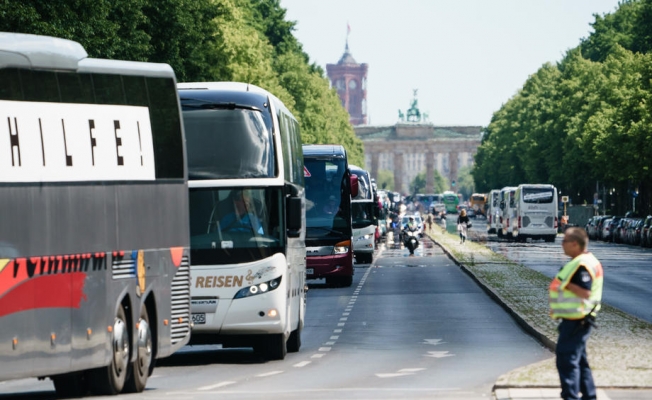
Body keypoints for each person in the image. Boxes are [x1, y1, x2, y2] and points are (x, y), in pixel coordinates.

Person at [549, 227, 603, 400]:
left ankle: (571, 396)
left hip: (577, 318)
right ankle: (589, 395)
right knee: (579, 359)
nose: (562, 244)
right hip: (578, 318)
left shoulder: (581, 265)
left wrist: (566, 284)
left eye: (564, 241)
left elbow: (585, 292)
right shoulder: (584, 261)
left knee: (566, 358)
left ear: (574, 244)